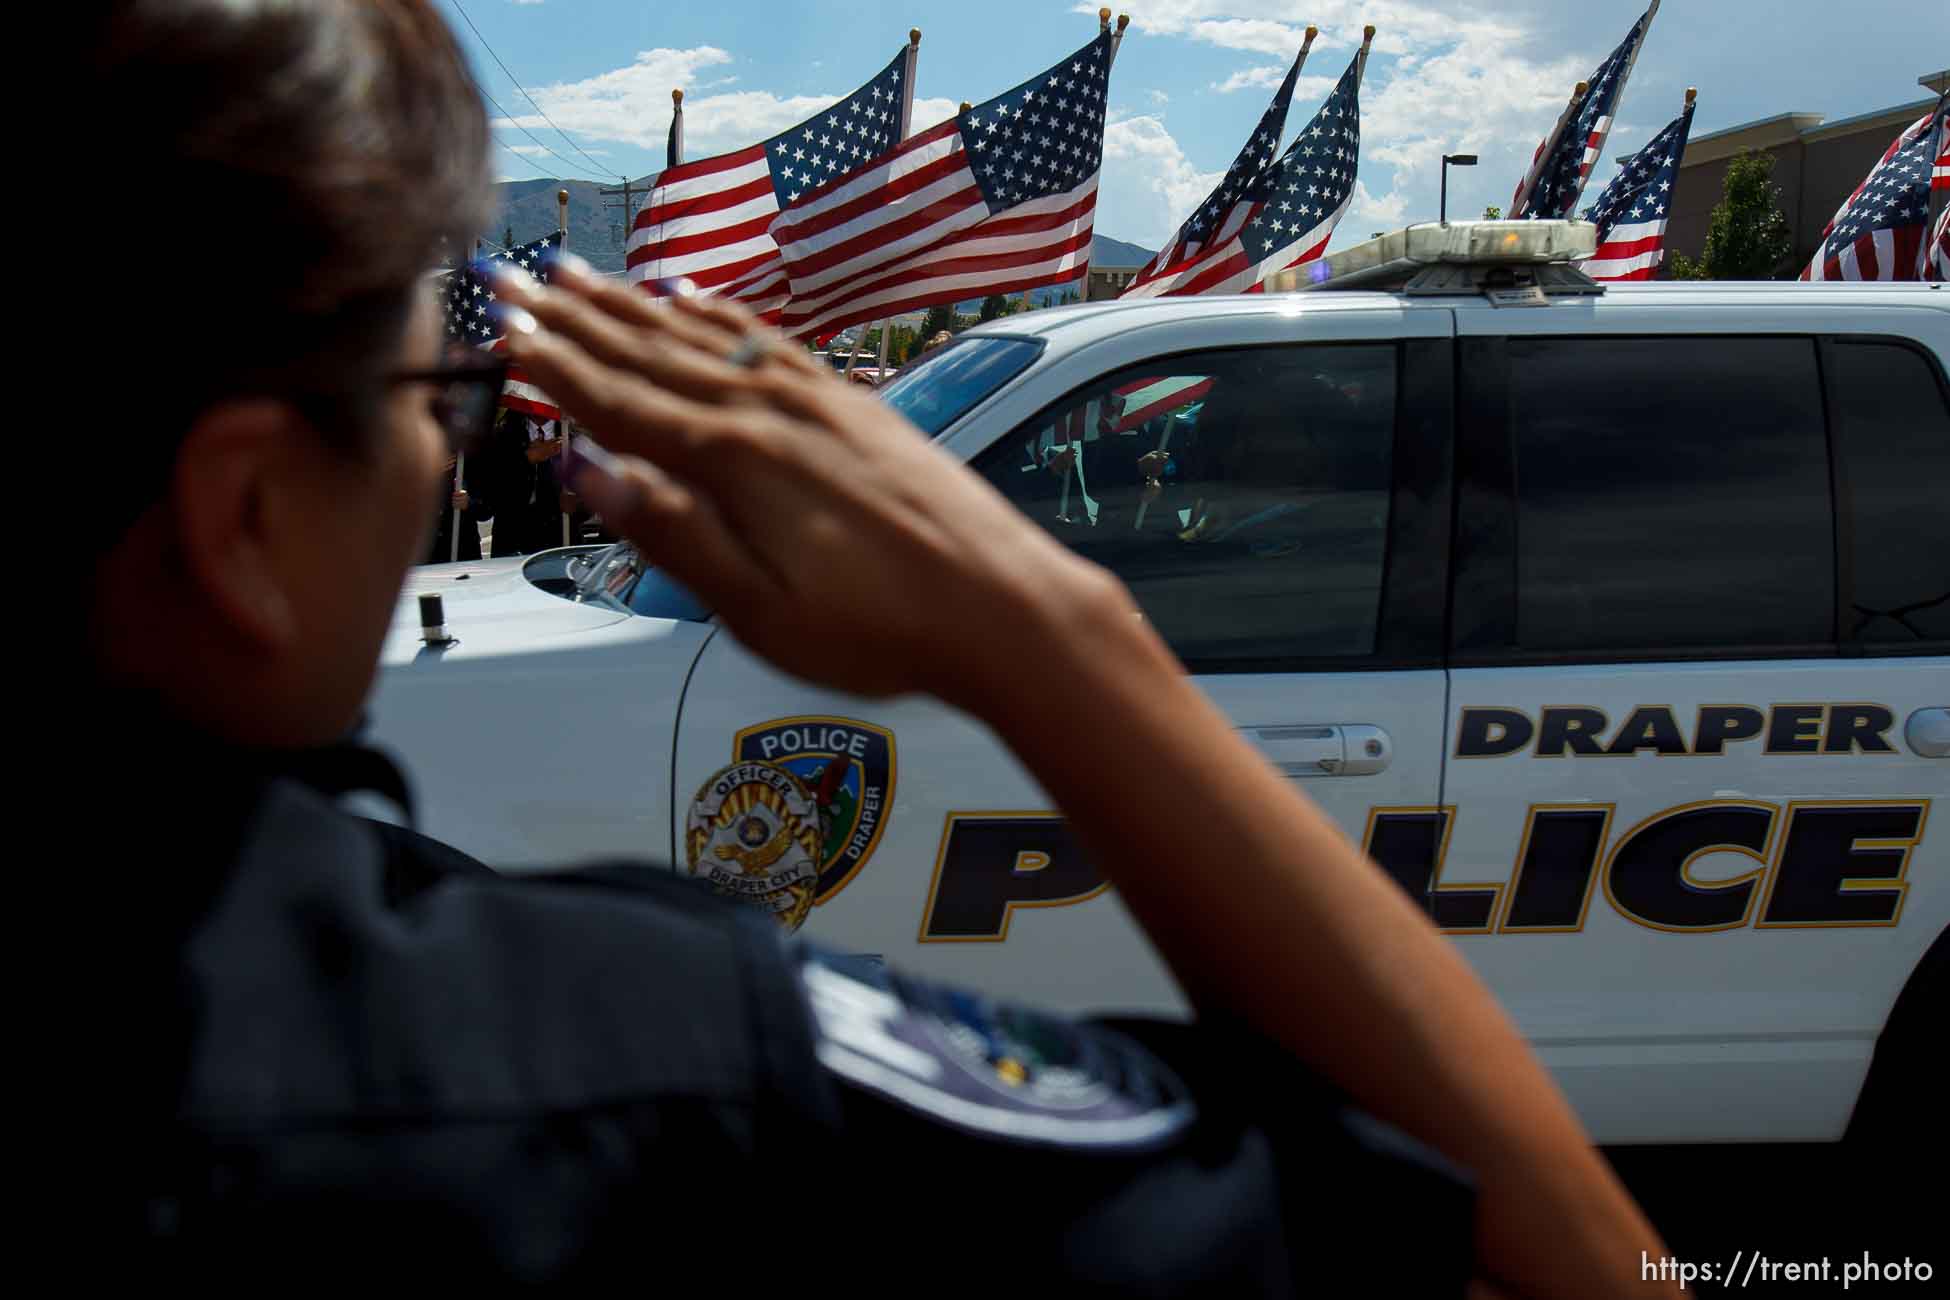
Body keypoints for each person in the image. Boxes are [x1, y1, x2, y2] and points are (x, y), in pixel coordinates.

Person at [81, 2, 1673, 1292]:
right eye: (449, 401)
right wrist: (1055, 639)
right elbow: (1548, 1262)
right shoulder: (649, 1069)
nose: (453, 453)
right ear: (245, 515)